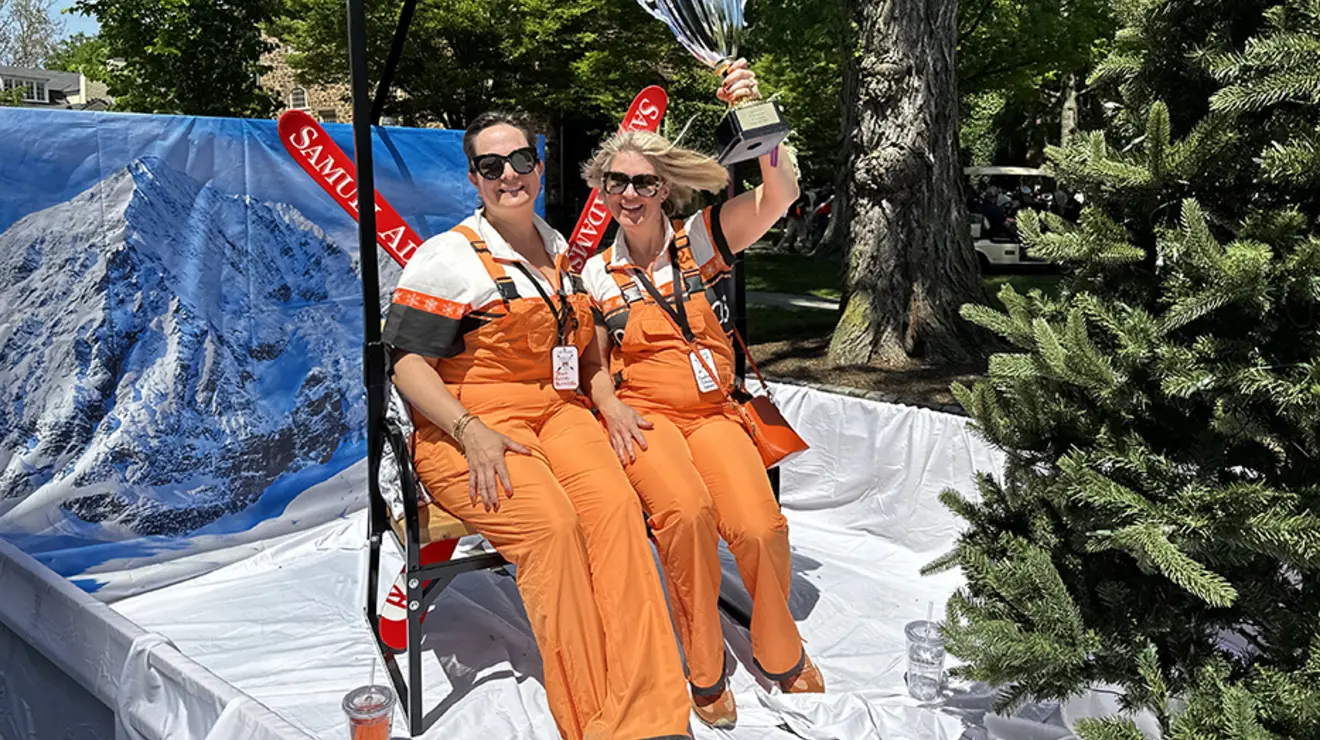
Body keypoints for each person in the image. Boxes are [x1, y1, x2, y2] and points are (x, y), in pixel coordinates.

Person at [381, 110, 691, 740]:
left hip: (558, 410)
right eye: (491, 167)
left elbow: (582, 351)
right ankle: (595, 722)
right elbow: (407, 365)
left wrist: (606, 399)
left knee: (614, 517)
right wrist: (469, 429)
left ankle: (655, 713)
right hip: (467, 425)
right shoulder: (446, 258)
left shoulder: (559, 250)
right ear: (474, 178)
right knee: (552, 529)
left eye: (520, 160)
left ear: (539, 167)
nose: (508, 176)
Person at [578, 59, 825, 730]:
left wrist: (761, 117)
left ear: (665, 189)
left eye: (644, 182)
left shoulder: (699, 239)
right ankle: (705, 670)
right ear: (602, 190)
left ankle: (780, 653)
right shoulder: (594, 275)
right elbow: (590, 364)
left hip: (713, 414)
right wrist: (611, 407)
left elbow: (779, 198)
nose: (630, 193)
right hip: (648, 424)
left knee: (760, 524)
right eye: (617, 181)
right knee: (684, 518)